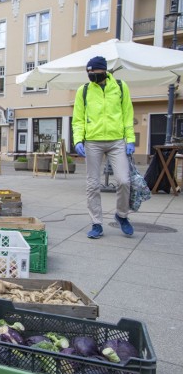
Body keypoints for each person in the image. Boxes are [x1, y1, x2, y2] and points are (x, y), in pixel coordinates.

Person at [72, 56, 135, 239]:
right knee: (93, 185)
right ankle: (96, 223)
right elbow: (78, 119)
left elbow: (127, 115)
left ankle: (122, 215)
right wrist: (78, 140)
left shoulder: (121, 87)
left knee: (124, 180)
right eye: (88, 73)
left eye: (94, 73)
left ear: (104, 71)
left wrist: (130, 140)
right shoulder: (83, 91)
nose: (91, 76)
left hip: (117, 141)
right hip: (93, 141)